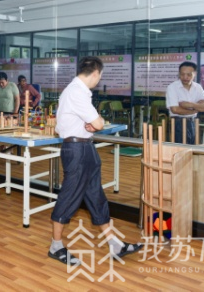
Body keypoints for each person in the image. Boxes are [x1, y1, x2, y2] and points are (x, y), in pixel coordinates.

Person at [49, 56, 142, 266]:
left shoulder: (77, 92)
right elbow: (99, 123)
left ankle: (114, 243)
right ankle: (56, 246)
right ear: (95, 73)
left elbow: (92, 123)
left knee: (95, 196)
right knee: (69, 197)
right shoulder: (76, 92)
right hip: (77, 150)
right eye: (100, 76)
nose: (99, 80)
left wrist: (93, 122)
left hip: (85, 147)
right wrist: (95, 122)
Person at [166, 61, 204, 144]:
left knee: (192, 148)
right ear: (179, 74)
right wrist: (196, 109)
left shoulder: (198, 87)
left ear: (195, 74)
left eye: (189, 74)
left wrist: (190, 104)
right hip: (177, 123)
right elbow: (175, 109)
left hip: (193, 122)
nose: (185, 77)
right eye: (182, 74)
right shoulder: (172, 87)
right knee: (179, 149)